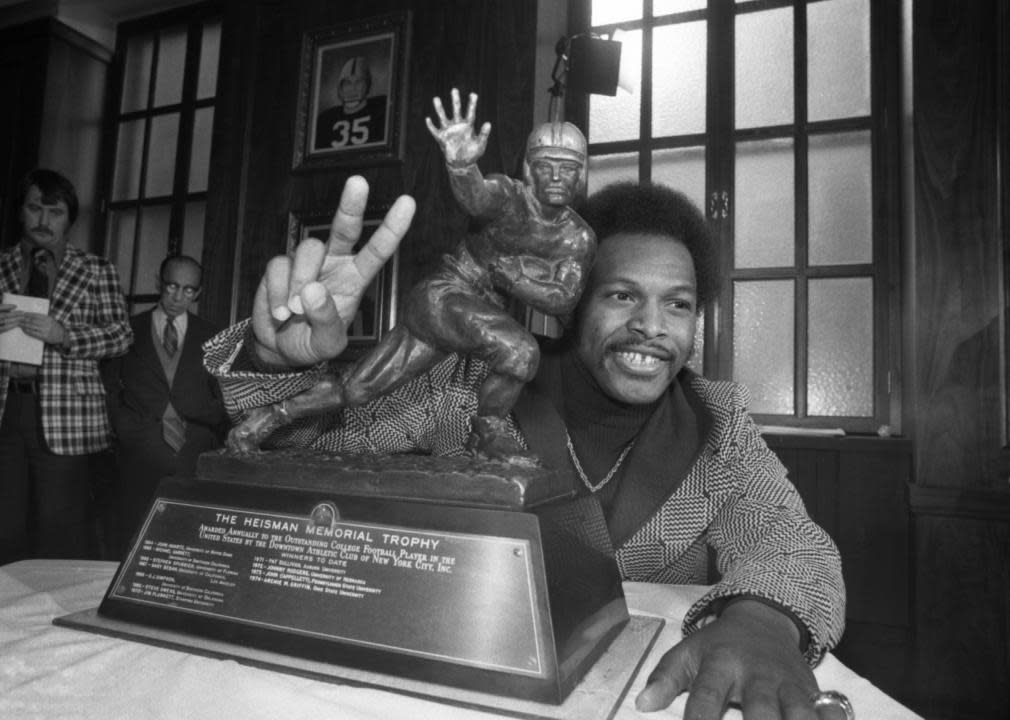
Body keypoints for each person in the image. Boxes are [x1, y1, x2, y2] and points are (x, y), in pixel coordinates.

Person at [204, 175, 846, 718]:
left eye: (677, 304)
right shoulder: (465, 386)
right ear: (572, 302)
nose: (651, 327)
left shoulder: (720, 423)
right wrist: (276, 363)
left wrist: (761, 621)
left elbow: (790, 540)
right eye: (622, 295)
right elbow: (303, 453)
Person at [231, 89, 596, 463]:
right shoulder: (509, 196)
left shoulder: (576, 237)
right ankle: (487, 432)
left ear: (582, 174)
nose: (555, 176)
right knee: (519, 351)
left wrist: (510, 277)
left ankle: (267, 418)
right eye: (546, 165)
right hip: (444, 297)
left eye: (567, 168)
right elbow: (479, 199)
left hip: (474, 324)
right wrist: (461, 167)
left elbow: (563, 297)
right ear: (528, 169)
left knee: (356, 390)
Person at [0, 168, 132, 564]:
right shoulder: (2, 265)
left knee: (60, 527)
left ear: (70, 218)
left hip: (66, 416)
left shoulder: (96, 270)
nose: (43, 221)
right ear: (21, 212)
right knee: (5, 526)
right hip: (7, 412)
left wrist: (66, 335)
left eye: (54, 211)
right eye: (34, 208)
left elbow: (122, 336)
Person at [104, 254, 227, 549]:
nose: (177, 297)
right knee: (134, 534)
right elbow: (108, 387)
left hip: (194, 449)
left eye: (188, 290)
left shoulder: (213, 336)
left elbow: (225, 395)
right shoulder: (126, 329)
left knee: (189, 535)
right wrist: (125, 429)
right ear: (159, 283)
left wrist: (205, 426)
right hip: (139, 449)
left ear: (197, 293)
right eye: (171, 286)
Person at [314, 55, 388, 150]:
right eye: (347, 83)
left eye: (359, 82)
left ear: (368, 87)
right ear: (340, 89)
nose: (352, 89)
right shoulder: (325, 119)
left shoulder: (382, 110)